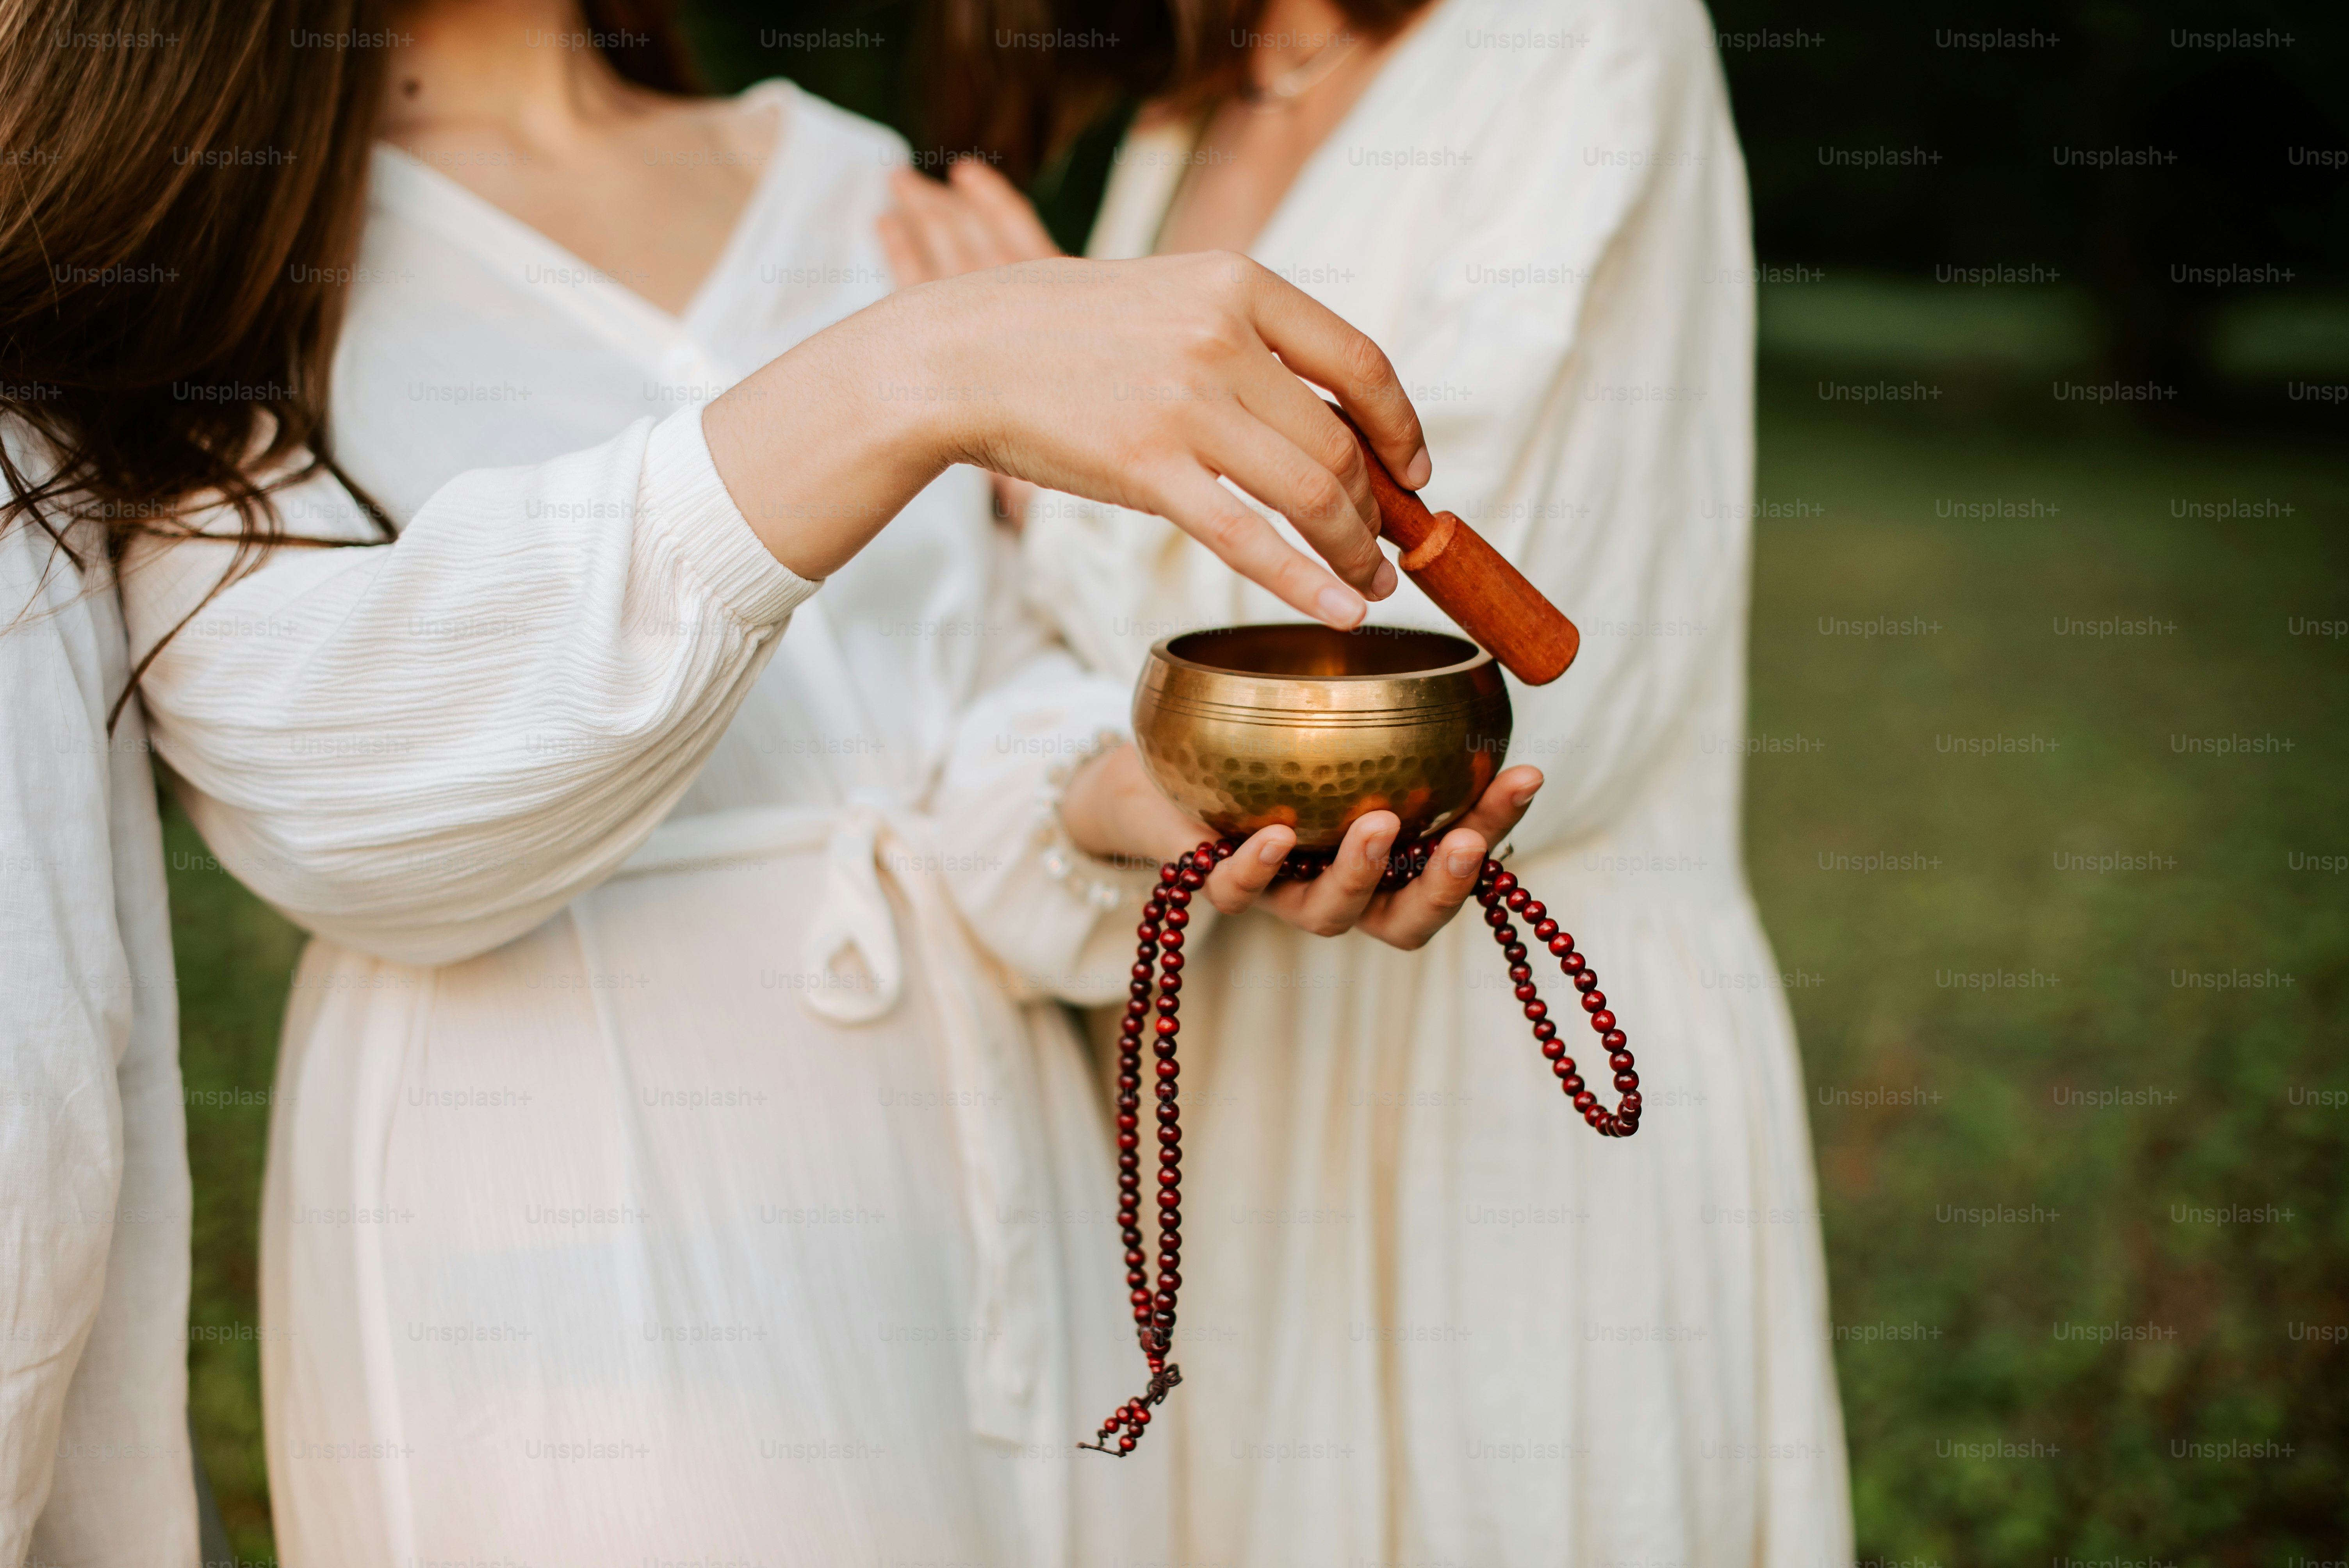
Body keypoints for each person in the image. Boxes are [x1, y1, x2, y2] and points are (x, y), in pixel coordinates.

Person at [78, 3, 1532, 1565]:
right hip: (571, 1202)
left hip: (992, 1166)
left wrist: (1129, 805)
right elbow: (340, 790)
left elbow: (975, 691)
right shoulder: (214, 234)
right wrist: (909, 374)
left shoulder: (859, 188)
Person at [888, 0, 1855, 1563]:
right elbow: (1077, 662)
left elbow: (1447, 670)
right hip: (1218, 1076)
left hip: (1502, 1091)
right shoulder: (1178, 120)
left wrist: (1011, 430)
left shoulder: (1583, 39)